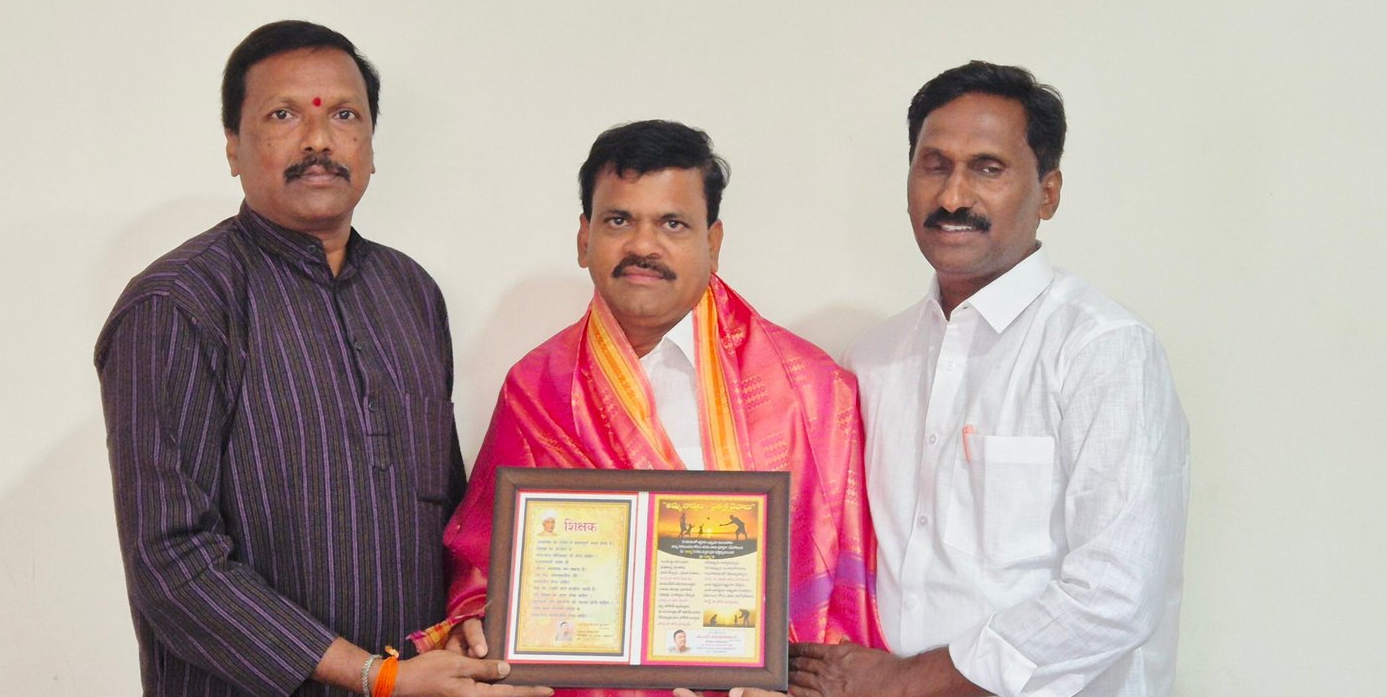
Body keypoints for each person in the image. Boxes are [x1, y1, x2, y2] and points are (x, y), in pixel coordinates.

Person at [94, 20, 549, 697]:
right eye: (283, 115)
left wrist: (464, 625)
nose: (318, 140)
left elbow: (446, 515)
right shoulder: (179, 303)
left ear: (371, 145)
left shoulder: (410, 292)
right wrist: (373, 675)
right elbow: (172, 562)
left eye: (344, 116)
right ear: (232, 146)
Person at [425, 121, 884, 695]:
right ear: (584, 238)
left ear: (713, 243)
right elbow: (483, 560)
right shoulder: (537, 388)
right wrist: (474, 620)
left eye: (672, 223)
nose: (643, 246)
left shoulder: (809, 390)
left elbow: (846, 577)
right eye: (619, 221)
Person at [793, 62, 1190, 696]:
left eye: (988, 168)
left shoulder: (1101, 350)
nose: (953, 197)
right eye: (934, 166)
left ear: (1048, 193)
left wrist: (907, 682)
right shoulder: (873, 360)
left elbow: (1116, 594)